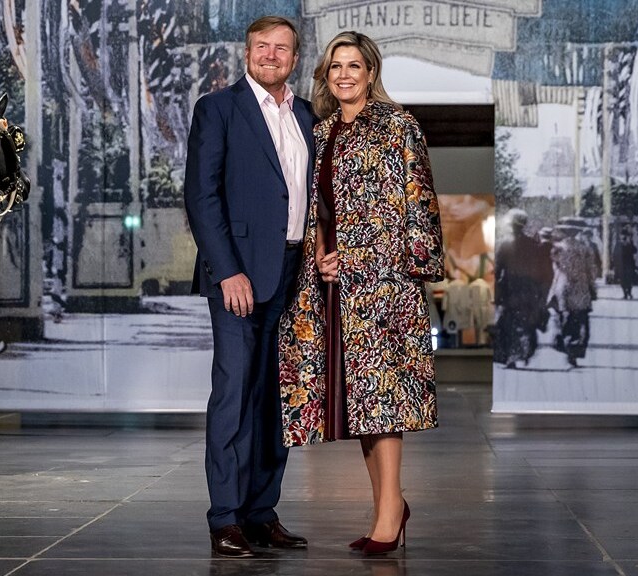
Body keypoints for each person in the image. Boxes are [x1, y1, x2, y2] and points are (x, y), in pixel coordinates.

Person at [277, 32, 443, 556]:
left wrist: (402, 266)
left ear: (371, 72)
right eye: (335, 67)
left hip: (386, 286)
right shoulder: (321, 133)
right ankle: (387, 506)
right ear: (325, 75)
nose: (343, 74)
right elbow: (317, 210)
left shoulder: (399, 125)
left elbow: (418, 205)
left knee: (383, 400)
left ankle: (389, 512)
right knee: (360, 405)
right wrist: (323, 253)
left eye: (354, 65)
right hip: (336, 288)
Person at [183, 15, 314, 558]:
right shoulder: (218, 109)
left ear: (295, 58)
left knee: (272, 400)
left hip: (291, 272)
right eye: (262, 46)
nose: (270, 55)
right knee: (234, 395)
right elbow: (201, 196)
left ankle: (261, 512)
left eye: (281, 48)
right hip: (237, 275)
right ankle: (225, 518)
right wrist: (227, 269)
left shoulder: (305, 114)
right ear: (246, 52)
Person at [495, 209, 552, 368]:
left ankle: (512, 355)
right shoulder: (533, 244)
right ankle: (525, 351)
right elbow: (539, 268)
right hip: (529, 288)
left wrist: (497, 289)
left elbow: (498, 268)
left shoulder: (505, 243)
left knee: (509, 322)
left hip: (511, 288)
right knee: (527, 321)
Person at [547, 227, 597, 367]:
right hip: (581, 289)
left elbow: (556, 270)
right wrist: (592, 289)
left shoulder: (557, 249)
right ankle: (574, 351)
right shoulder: (585, 249)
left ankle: (566, 345)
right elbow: (591, 271)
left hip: (564, 287)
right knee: (581, 320)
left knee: (566, 319)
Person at [614, 230, 638, 300]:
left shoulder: (629, 243)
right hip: (621, 265)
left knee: (629, 280)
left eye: (624, 235)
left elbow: (635, 250)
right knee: (622, 280)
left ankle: (629, 293)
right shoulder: (618, 244)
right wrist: (615, 264)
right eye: (622, 235)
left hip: (629, 265)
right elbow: (615, 254)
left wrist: (629, 242)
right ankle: (625, 294)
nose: (623, 237)